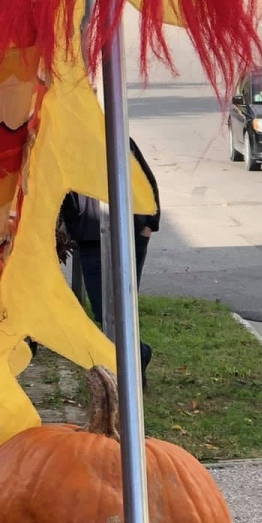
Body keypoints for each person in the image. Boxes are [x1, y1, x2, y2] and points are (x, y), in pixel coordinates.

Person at [58, 138, 159, 375]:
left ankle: (130, 375)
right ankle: (139, 354)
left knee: (124, 305)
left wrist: (148, 227)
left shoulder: (121, 141)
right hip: (89, 240)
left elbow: (147, 181)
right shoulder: (66, 145)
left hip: (128, 238)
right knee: (102, 311)